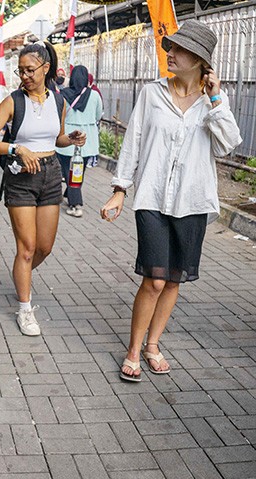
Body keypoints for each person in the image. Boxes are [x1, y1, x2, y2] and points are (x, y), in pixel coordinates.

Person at [100, 20, 241, 382]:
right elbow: (133, 141)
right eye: (171, 47)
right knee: (155, 280)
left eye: (178, 50)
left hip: (192, 202)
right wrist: (120, 189)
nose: (170, 54)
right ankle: (134, 348)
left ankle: (153, 345)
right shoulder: (152, 93)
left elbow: (228, 143)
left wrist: (214, 98)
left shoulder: (213, 102)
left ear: (199, 59)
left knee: (174, 280)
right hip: (152, 197)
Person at [0, 41, 86, 336]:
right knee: (26, 249)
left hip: (51, 174)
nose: (24, 76)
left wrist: (72, 137)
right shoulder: (13, 101)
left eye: (30, 70)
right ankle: (25, 308)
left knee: (45, 247)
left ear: (45, 68)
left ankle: (20, 274)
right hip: (21, 177)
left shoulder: (59, 101)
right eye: (21, 71)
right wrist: (16, 148)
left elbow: (57, 138)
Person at [55, 65, 103, 217]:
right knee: (78, 171)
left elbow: (59, 116)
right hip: (87, 139)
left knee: (69, 171)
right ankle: (72, 197)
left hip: (67, 138)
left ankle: (76, 204)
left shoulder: (62, 95)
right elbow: (98, 116)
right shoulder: (94, 95)